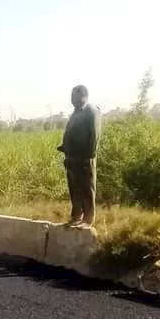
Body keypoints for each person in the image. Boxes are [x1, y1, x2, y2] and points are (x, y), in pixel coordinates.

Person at [57, 85, 102, 228]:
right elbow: (70, 133)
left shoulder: (91, 111)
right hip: (72, 158)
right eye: (71, 96)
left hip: (84, 159)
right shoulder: (75, 113)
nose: (71, 99)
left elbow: (95, 136)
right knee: (74, 188)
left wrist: (88, 157)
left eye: (74, 96)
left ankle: (88, 220)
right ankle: (76, 216)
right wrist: (66, 150)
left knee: (87, 189)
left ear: (83, 96)